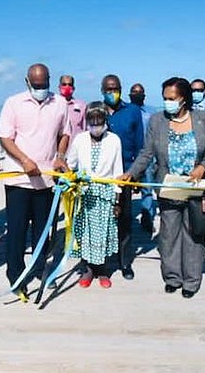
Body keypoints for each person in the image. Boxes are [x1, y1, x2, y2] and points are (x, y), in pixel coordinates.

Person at [120, 77, 205, 298]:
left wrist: (203, 167)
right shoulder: (157, 121)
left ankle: (192, 281)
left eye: (171, 98)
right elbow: (147, 153)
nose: (168, 102)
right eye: (165, 98)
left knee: (194, 236)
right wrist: (131, 174)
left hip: (196, 187)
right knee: (168, 235)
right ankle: (172, 277)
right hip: (168, 188)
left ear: (184, 99)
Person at [0, 63, 70, 298]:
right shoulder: (13, 103)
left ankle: (39, 269)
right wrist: (25, 161)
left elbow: (64, 133)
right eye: (36, 85)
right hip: (19, 180)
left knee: (42, 231)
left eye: (44, 84)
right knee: (16, 232)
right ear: (27, 82)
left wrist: (60, 156)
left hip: (47, 181)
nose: (40, 89)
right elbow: (5, 138)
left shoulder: (59, 103)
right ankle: (16, 275)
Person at [66, 102, 123, 289]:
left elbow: (118, 171)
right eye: (92, 122)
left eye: (100, 121)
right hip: (85, 193)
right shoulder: (80, 140)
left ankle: (103, 270)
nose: (96, 125)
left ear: (105, 121)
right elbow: (71, 164)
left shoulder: (114, 140)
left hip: (105, 193)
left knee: (104, 231)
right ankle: (88, 268)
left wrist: (117, 199)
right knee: (86, 232)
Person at [101, 74, 144, 280]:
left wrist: (137, 175)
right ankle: (97, 263)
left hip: (124, 175)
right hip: (100, 176)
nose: (112, 93)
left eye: (116, 88)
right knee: (99, 220)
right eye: (108, 89)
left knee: (124, 221)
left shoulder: (133, 112)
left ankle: (125, 262)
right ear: (102, 91)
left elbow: (140, 146)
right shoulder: (96, 111)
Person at [129, 83, 156, 232]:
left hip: (147, 154)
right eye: (134, 92)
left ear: (144, 95)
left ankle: (147, 217)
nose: (137, 94)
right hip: (130, 154)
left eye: (140, 92)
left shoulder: (151, 112)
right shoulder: (125, 111)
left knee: (147, 187)